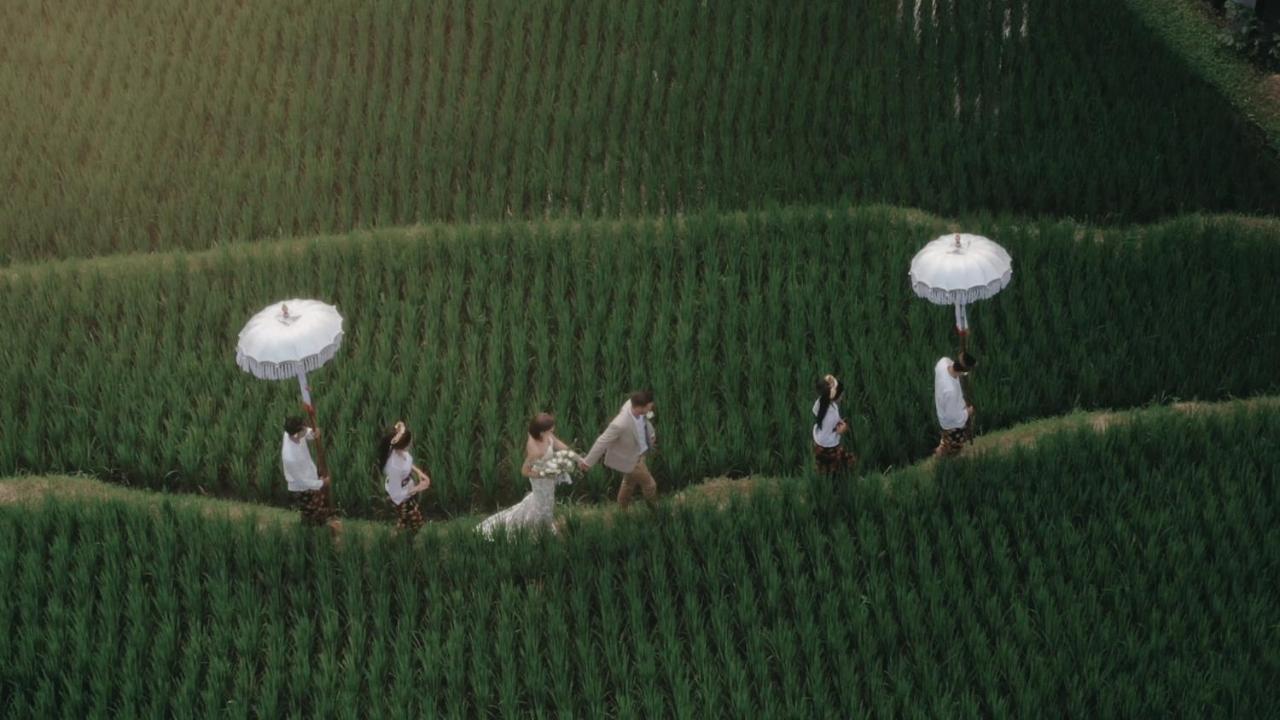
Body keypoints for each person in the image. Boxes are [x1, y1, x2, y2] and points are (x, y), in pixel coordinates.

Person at [477, 412, 583, 539]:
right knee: (542, 504)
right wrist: (545, 473)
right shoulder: (535, 450)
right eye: (550, 429)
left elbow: (559, 444)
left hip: (548, 476)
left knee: (548, 502)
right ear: (541, 432)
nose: (553, 430)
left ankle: (545, 524)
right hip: (540, 478)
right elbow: (524, 471)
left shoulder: (546, 435)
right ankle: (537, 529)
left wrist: (578, 458)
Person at [582, 390, 659, 509]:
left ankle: (621, 511)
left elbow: (644, 423)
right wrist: (587, 462)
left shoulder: (634, 405)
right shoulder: (620, 423)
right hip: (633, 459)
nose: (651, 408)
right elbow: (602, 441)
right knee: (650, 485)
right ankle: (656, 511)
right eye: (649, 406)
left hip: (640, 453)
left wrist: (651, 434)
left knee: (628, 483)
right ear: (640, 407)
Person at [282, 416, 338, 528]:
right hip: (302, 488)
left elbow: (305, 432)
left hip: (310, 476)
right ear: (296, 434)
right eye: (303, 429)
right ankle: (317, 532)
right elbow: (302, 481)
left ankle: (308, 527)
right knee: (315, 511)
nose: (306, 429)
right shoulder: (290, 457)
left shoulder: (292, 433)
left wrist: (313, 433)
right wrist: (322, 483)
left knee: (312, 509)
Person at [380, 421, 432, 533]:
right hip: (402, 499)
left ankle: (399, 536)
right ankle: (401, 542)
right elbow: (396, 495)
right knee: (416, 522)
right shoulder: (394, 466)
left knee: (405, 520)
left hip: (407, 490)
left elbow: (408, 464)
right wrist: (419, 487)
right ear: (407, 444)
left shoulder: (399, 452)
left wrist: (419, 473)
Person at [934, 352, 977, 457]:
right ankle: (944, 458)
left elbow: (953, 364)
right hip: (951, 424)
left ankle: (943, 447)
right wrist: (967, 412)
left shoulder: (943, 363)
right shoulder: (950, 391)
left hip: (945, 409)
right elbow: (953, 416)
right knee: (954, 447)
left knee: (946, 439)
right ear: (963, 372)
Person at [812, 374, 856, 473]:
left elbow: (815, 411)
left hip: (818, 440)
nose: (842, 397)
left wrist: (837, 421)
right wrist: (843, 427)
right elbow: (838, 431)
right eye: (841, 395)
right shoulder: (831, 413)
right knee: (842, 465)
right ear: (835, 396)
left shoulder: (821, 402)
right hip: (828, 445)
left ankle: (824, 475)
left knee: (822, 468)